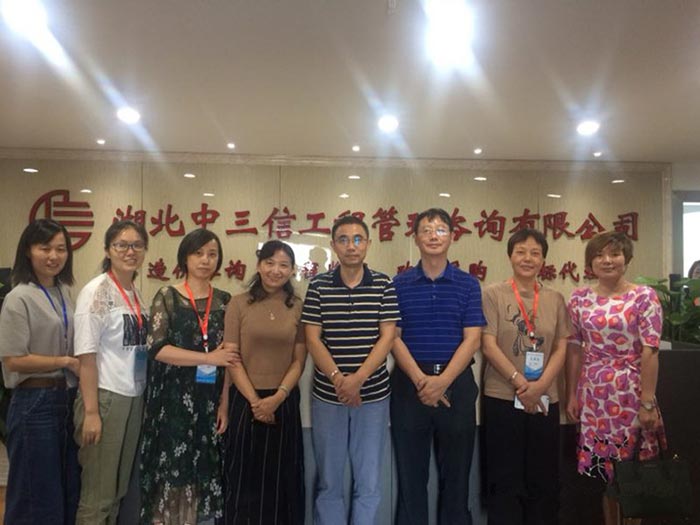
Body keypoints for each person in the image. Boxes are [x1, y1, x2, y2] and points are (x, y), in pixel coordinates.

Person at [302, 216, 399, 525]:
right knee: (329, 480)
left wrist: (357, 380)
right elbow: (312, 339)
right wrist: (339, 380)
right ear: (333, 245)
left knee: (368, 481)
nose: (351, 246)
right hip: (328, 397)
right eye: (343, 239)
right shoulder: (318, 286)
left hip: (373, 398)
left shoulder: (383, 284)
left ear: (368, 244)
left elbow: (387, 337)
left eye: (358, 239)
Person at [391, 207, 485, 525]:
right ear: (416, 238)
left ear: (452, 237)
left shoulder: (468, 284)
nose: (434, 235)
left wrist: (442, 381)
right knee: (410, 478)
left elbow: (472, 339)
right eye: (427, 230)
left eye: (441, 229)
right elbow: (393, 337)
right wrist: (422, 380)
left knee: (457, 479)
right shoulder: (399, 284)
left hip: (456, 385)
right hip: (409, 386)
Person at [565, 231, 663, 525]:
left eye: (614, 254)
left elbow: (650, 351)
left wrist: (647, 403)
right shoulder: (579, 298)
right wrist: (572, 394)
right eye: (599, 255)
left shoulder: (643, 296)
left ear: (626, 259)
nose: (607, 260)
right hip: (594, 397)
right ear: (590, 263)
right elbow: (574, 348)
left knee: (632, 472)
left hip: (632, 394)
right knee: (604, 474)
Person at [139, 229, 236, 524]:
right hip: (171, 402)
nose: (205, 260)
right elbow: (157, 348)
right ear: (185, 257)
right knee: (170, 474)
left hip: (208, 402)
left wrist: (224, 403)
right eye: (198, 253)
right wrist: (207, 358)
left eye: (212, 254)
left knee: (200, 475)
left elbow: (229, 358)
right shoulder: (168, 296)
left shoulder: (225, 301)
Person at [481, 228, 571, 525]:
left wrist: (540, 386)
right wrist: (521, 382)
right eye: (520, 252)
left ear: (543, 259)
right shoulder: (492, 294)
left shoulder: (555, 298)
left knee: (543, 480)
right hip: (502, 397)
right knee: (504, 478)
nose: (527, 258)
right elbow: (488, 344)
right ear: (510, 256)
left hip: (545, 399)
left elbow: (561, 347)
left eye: (535, 253)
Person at [0, 219, 80, 524]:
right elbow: (13, 360)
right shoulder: (18, 297)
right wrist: (65, 362)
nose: (54, 256)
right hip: (34, 402)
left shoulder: (64, 292)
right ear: (28, 251)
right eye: (45, 248)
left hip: (66, 399)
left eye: (61, 249)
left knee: (65, 488)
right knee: (35, 493)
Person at [223, 240, 307, 524]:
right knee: (243, 476)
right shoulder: (238, 303)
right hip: (245, 400)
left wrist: (277, 398)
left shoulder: (297, 306)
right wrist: (256, 402)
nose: (276, 270)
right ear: (259, 266)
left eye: (284, 265)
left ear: (292, 270)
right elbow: (231, 357)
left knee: (282, 478)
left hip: (283, 401)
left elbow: (299, 361)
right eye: (269, 263)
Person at [73, 219, 150, 524]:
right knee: (98, 495)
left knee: (117, 492)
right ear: (107, 250)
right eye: (122, 245)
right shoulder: (96, 291)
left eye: (137, 245)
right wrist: (92, 412)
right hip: (105, 398)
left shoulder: (135, 292)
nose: (130, 251)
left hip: (132, 396)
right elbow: (86, 356)